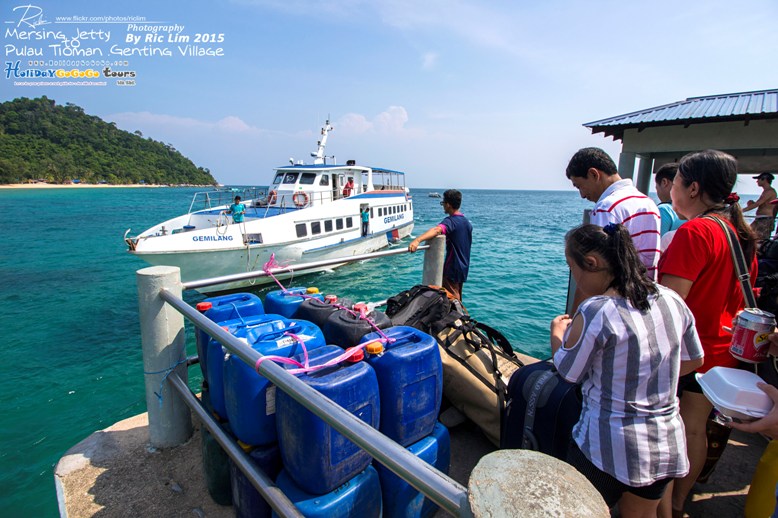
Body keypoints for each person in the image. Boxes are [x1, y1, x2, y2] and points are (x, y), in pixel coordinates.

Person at [551, 223, 703, 517]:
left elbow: (568, 373)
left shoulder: (598, 310)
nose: (574, 276)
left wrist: (557, 334)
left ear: (591, 263)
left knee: (583, 511)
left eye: (572, 267)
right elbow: (694, 360)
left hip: (604, 445)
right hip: (662, 445)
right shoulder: (672, 300)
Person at [658, 149, 758, 517]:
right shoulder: (736, 233)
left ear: (693, 187)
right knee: (694, 430)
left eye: (677, 181)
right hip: (722, 351)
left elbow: (669, 304)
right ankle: (680, 502)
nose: (672, 189)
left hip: (688, 355)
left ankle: (661, 508)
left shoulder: (694, 232)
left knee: (670, 433)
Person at [565, 147, 661, 279]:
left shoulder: (606, 208)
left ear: (594, 174)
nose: (582, 195)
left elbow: (599, 269)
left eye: (579, 186)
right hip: (645, 291)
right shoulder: (648, 203)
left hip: (618, 295)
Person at [408, 189, 472, 301]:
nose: (443, 206)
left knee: (453, 300)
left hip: (452, 268)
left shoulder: (451, 221)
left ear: (448, 204)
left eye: (443, 203)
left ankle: (458, 317)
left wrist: (417, 240)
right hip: (463, 267)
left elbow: (437, 230)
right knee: (457, 296)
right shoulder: (467, 223)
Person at [654, 163, 685, 249]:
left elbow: (657, 247)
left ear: (664, 182)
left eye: (657, 188)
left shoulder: (664, 210)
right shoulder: (693, 211)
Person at [744, 172, 778, 241]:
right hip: (760, 219)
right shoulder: (766, 191)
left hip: (765, 220)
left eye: (759, 179)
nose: (757, 181)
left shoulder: (770, 191)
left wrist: (740, 210)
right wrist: (752, 203)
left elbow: (758, 204)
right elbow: (761, 204)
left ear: (764, 179)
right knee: (748, 236)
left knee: (761, 241)